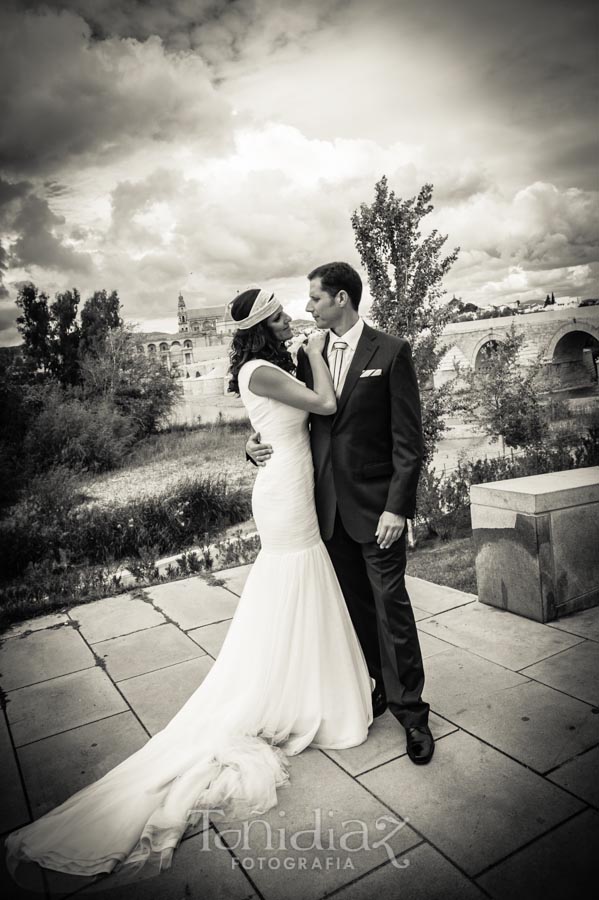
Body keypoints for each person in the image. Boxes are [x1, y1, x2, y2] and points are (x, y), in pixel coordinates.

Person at [4, 285, 372, 887]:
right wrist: (310, 354)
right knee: (293, 574)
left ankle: (299, 681)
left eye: (289, 316)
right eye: (282, 316)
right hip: (282, 494)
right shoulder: (264, 367)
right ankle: (283, 690)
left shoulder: (260, 367)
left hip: (289, 479)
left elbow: (278, 426)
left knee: (300, 580)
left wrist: (256, 440)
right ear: (265, 325)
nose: (290, 321)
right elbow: (325, 406)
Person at [247, 262, 434, 765]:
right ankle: (376, 686)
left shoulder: (391, 352)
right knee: (355, 612)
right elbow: (280, 414)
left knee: (391, 609)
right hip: (323, 512)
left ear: (342, 300)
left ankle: (413, 715)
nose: (307, 308)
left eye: (315, 299)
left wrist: (399, 507)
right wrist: (254, 444)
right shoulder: (302, 355)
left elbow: (408, 442)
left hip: (377, 513)